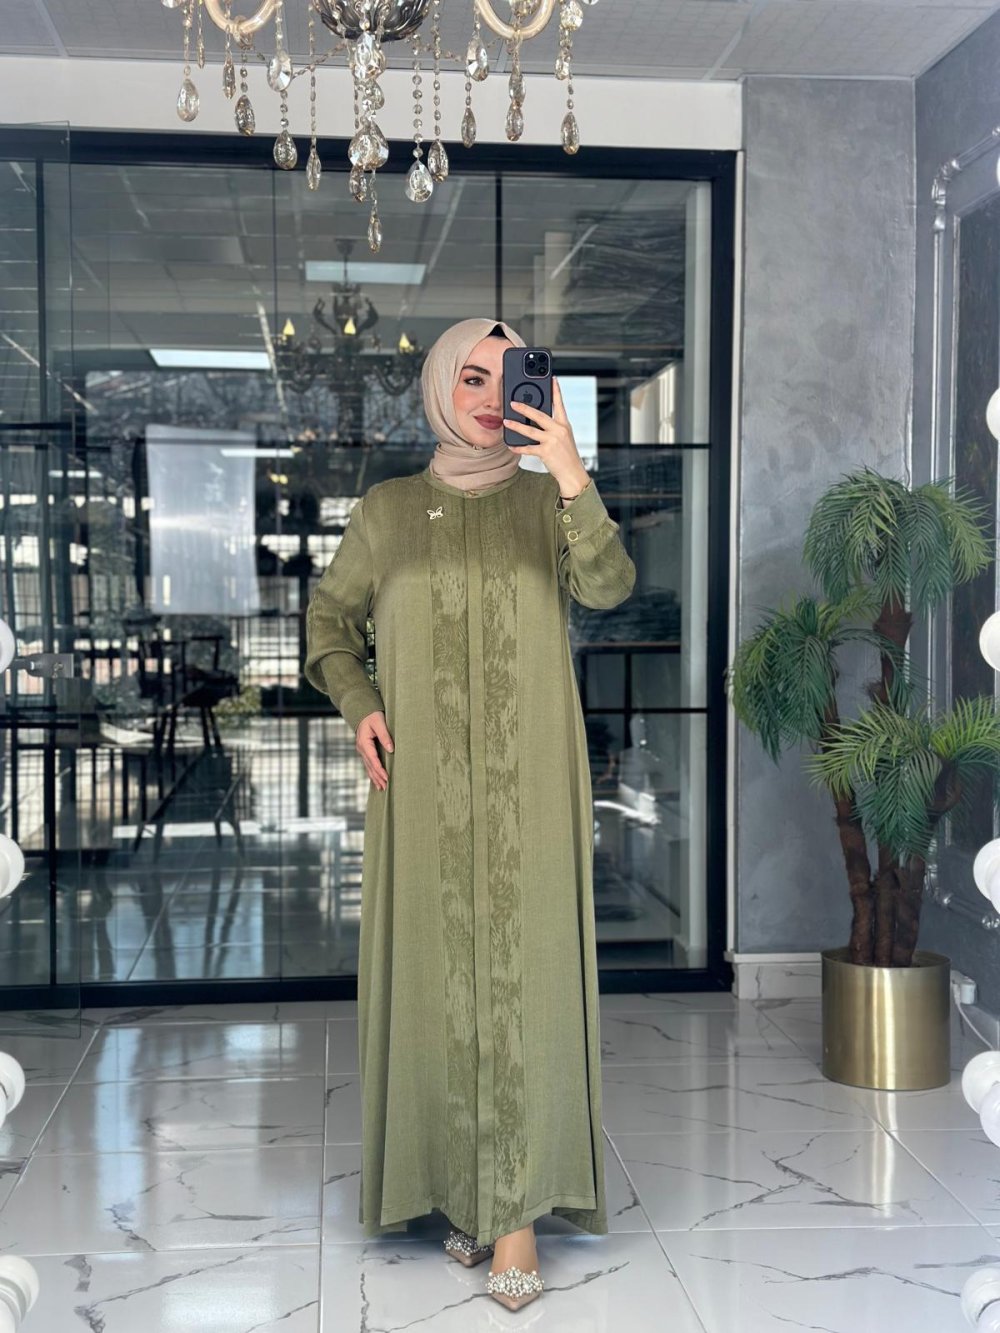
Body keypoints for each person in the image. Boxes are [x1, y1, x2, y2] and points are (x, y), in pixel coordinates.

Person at [304, 316, 636, 1312]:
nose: (492, 396)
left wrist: (571, 472)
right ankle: (463, 1189)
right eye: (472, 376)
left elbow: (609, 587)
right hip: (422, 790)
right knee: (439, 979)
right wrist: (360, 702)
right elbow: (328, 620)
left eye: (510, 374)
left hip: (531, 780)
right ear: (441, 387)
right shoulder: (386, 511)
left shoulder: (546, 501)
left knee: (526, 984)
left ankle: (517, 1213)